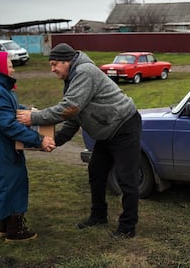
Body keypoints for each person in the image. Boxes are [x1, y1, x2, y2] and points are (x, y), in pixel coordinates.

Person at [17, 43, 141, 238]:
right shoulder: (72, 78)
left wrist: (34, 117)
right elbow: (74, 117)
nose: (52, 69)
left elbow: (70, 108)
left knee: (127, 178)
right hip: (106, 131)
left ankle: (128, 227)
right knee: (96, 172)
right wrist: (54, 141)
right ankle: (99, 216)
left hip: (124, 126)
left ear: (67, 61)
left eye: (54, 64)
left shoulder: (84, 72)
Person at [0, 52, 56, 242]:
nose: (13, 68)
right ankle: (15, 231)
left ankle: (6, 226)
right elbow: (8, 124)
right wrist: (39, 139)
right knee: (10, 183)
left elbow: (11, 110)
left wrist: (32, 113)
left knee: (7, 182)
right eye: (9, 65)